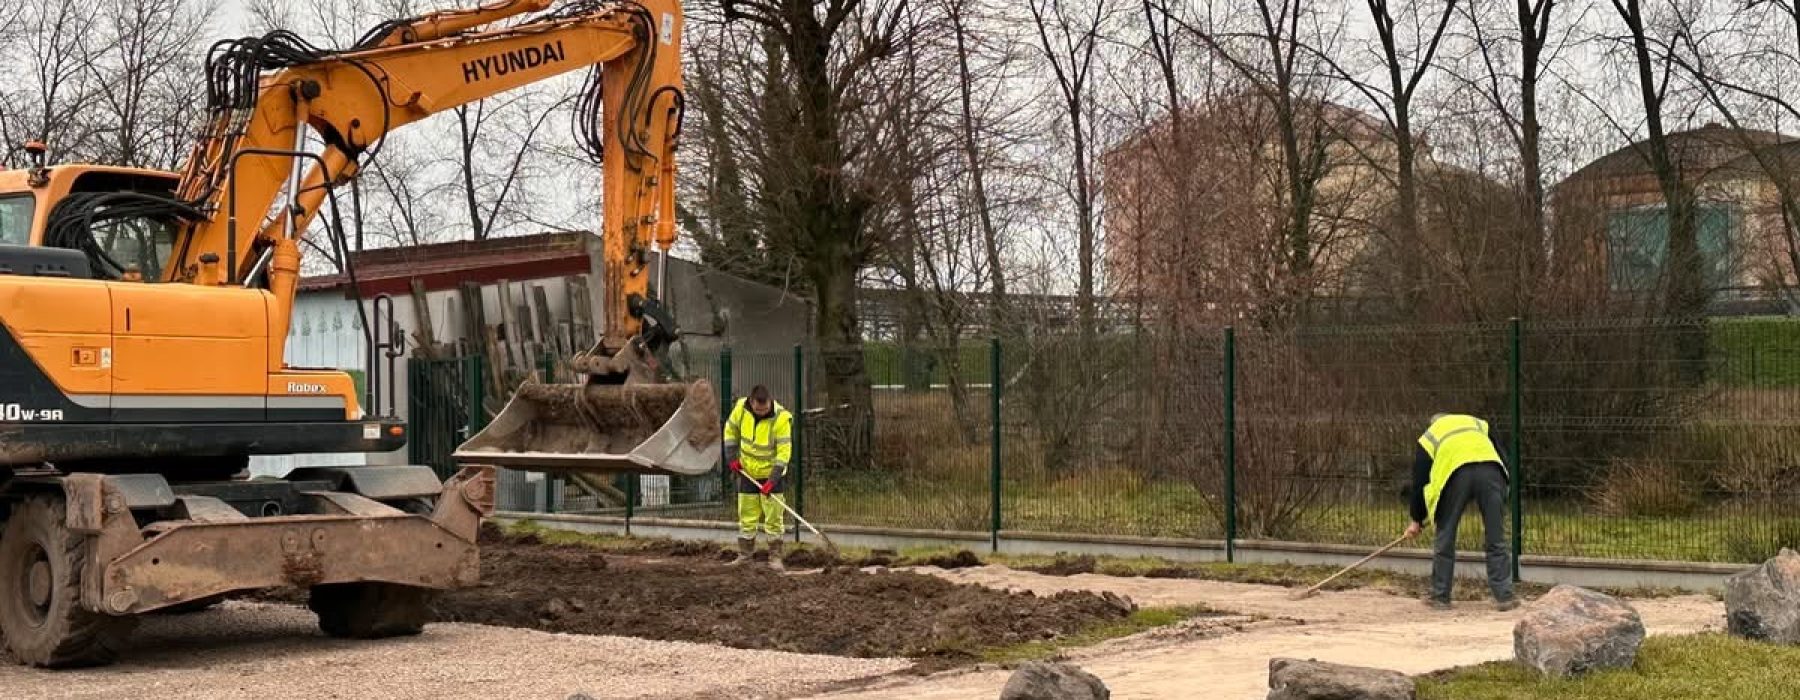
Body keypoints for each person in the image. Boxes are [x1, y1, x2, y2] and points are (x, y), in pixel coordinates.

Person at [1405, 413, 1519, 611]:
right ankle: (1504, 597)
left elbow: (1421, 481)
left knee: (1445, 537)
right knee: (1496, 537)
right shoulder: (1478, 424)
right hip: (1492, 472)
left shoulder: (1430, 436)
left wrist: (1416, 519)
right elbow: (1503, 456)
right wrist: (1503, 487)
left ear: (1433, 423)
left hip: (1455, 476)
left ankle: (1440, 597)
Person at [722, 385, 793, 571]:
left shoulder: (781, 418)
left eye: (765, 408)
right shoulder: (740, 409)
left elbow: (784, 452)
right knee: (746, 515)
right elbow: (730, 431)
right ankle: (745, 556)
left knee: (774, 517)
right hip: (748, 473)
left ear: (770, 401)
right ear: (751, 402)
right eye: (758, 409)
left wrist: (773, 479)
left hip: (771, 475)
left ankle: (775, 557)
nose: (762, 412)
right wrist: (731, 458)